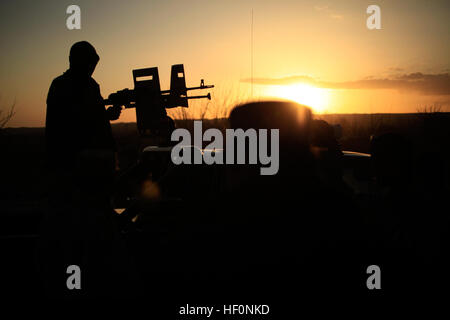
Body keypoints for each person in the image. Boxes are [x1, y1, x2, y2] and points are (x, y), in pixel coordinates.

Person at [40, 41, 138, 298]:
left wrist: (106, 115)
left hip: (88, 170)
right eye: (90, 62)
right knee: (81, 232)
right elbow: (72, 126)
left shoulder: (80, 86)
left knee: (86, 229)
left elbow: (86, 120)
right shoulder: (67, 86)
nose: (93, 67)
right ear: (80, 61)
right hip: (78, 171)